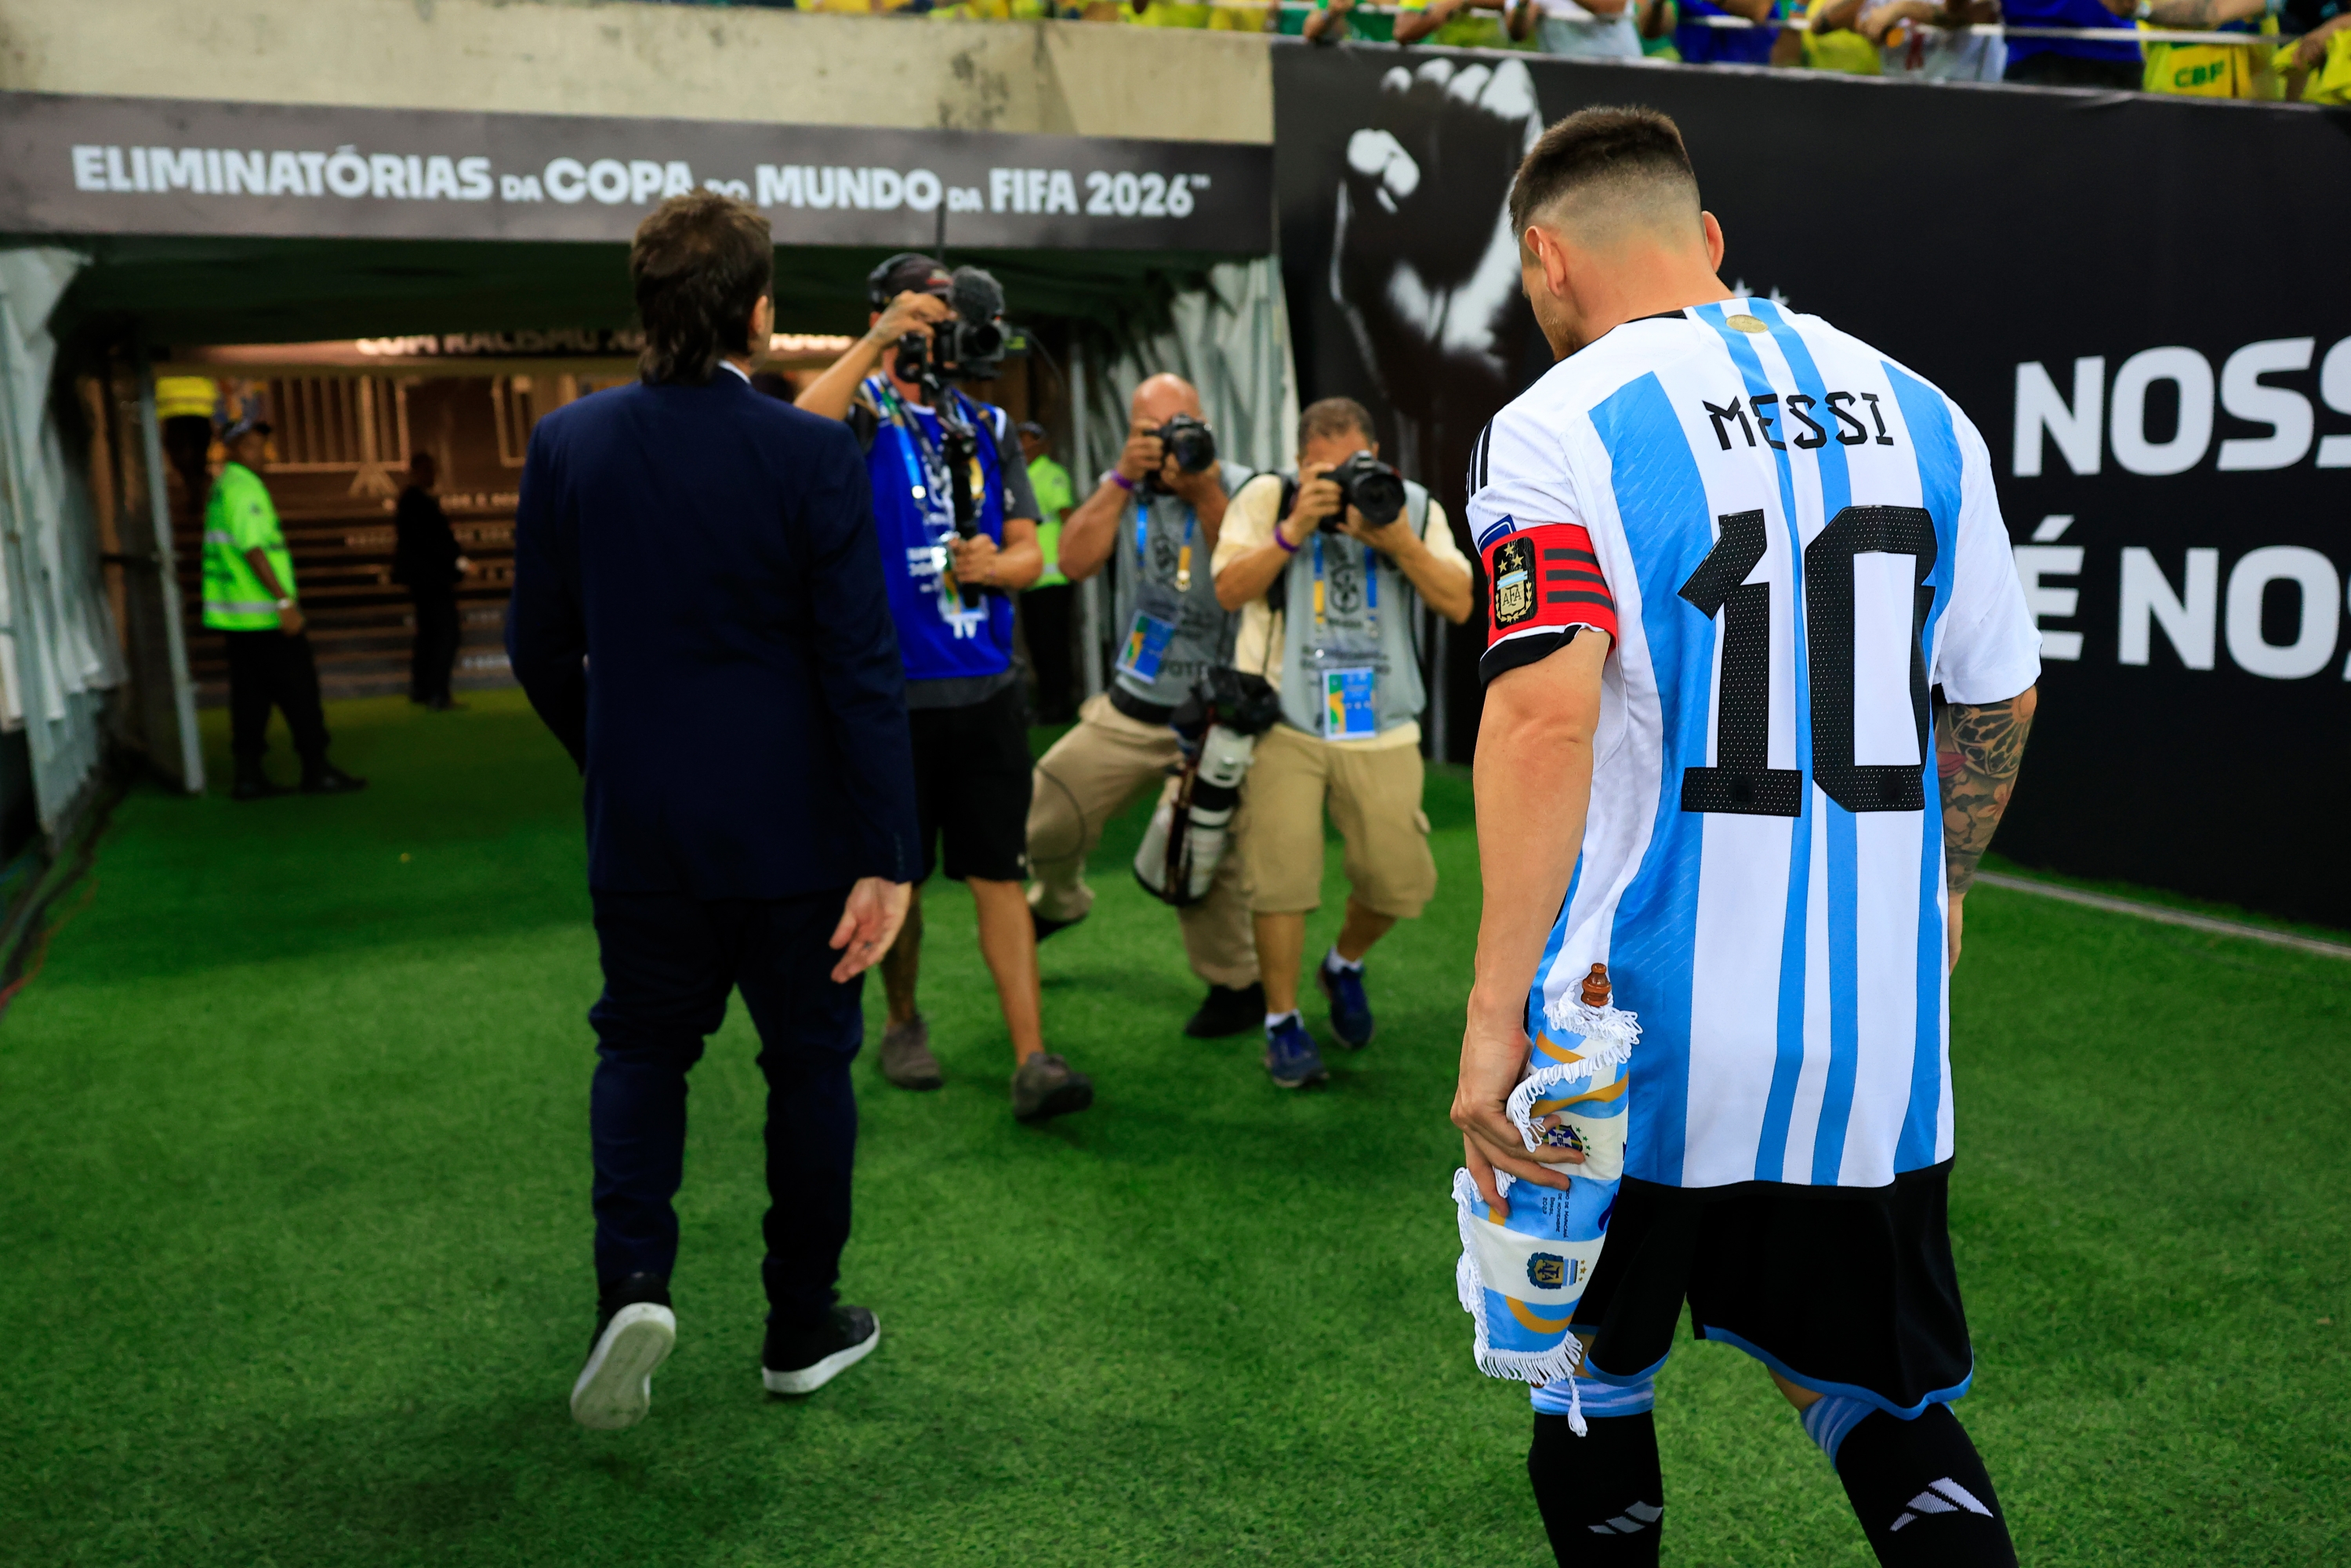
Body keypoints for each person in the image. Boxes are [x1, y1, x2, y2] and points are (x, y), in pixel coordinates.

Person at [1453, 107, 2041, 1565]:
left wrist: (1484, 1023)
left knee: (1584, 1377)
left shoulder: (1558, 421)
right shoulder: (1923, 408)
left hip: (1628, 1030)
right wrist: (1945, 886)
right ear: (1705, 241)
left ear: (1544, 260)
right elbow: (1999, 688)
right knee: (1875, 1401)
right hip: (1869, 1037)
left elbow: (1542, 722)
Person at [506, 191, 920, 1430]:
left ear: (643, 308)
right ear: (757, 312)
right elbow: (859, 665)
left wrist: (614, 756)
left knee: (639, 1051)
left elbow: (535, 650)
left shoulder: (568, 445)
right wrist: (887, 854)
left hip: (643, 834)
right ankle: (800, 1325)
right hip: (799, 842)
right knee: (807, 1072)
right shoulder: (808, 451)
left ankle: (628, 1287)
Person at [796, 253, 1094, 1123]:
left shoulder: (988, 421)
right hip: (886, 693)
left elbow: (1030, 555)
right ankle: (900, 1021)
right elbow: (790, 435)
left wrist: (992, 565)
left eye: (947, 318)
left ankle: (1032, 1057)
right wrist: (877, 339)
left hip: (985, 687)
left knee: (998, 873)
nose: (941, 334)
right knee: (901, 876)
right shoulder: (860, 412)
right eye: (921, 316)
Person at [1212, 399, 1474, 1090]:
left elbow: (1459, 600)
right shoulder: (1268, 498)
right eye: (1323, 473)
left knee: (1399, 882)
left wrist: (1397, 541)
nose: (1342, 484)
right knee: (1281, 879)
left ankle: (1343, 964)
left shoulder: (1406, 505)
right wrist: (1295, 527)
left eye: (1356, 467)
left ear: (1378, 458)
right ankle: (1281, 1022)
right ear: (1300, 465)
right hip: (1285, 720)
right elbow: (1227, 588)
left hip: (1381, 719)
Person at [1025, 375, 1264, 1040]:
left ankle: (1234, 985)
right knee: (1043, 811)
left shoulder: (1245, 487)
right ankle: (1060, 899)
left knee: (1197, 849)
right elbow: (1071, 563)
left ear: (1205, 424)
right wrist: (1118, 480)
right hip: (1133, 700)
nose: (1165, 443)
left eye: (1177, 426)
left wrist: (1204, 490)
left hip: (1211, 712)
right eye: (1148, 431)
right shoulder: (1123, 492)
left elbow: (1247, 579)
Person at [200, 416, 367, 800]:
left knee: (250, 697)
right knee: (300, 691)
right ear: (239, 448)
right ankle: (316, 768)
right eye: (257, 446)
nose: (265, 455)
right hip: (265, 617)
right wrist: (283, 601)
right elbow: (254, 548)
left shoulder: (223, 487)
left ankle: (249, 774)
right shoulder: (245, 488)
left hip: (238, 618)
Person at [392, 452, 470, 711]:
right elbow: (433, 543)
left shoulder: (411, 501)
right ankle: (436, 693)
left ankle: (423, 689)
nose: (434, 475)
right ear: (418, 471)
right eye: (430, 470)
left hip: (424, 581)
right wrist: (460, 562)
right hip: (432, 581)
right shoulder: (416, 502)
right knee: (446, 634)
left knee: (428, 635)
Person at [1018, 420, 1079, 724]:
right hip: (1030, 578)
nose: (1024, 445)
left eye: (1030, 439)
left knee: (1054, 645)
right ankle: (1047, 703)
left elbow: (1068, 517)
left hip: (1053, 576)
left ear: (1041, 443)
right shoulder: (1018, 476)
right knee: (1038, 646)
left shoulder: (1051, 474)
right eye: (1020, 438)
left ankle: (1059, 705)